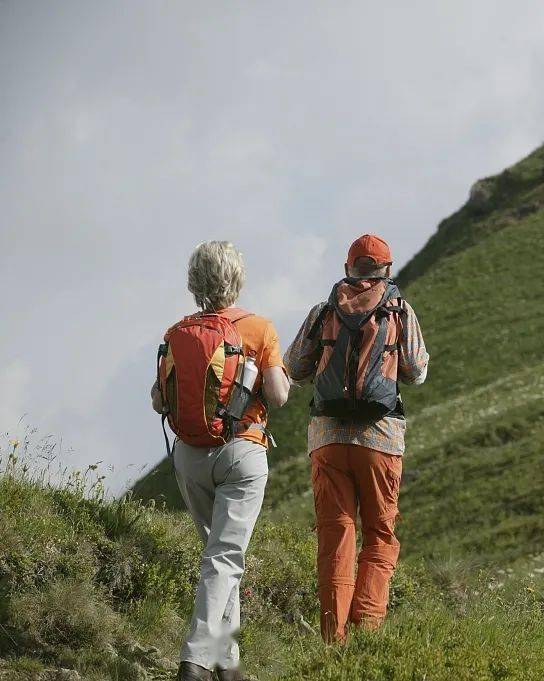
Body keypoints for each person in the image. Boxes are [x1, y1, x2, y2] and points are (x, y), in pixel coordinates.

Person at [151, 241, 290, 681]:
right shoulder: (259, 329)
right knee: (225, 559)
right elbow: (279, 396)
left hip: (189, 456)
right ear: (237, 278)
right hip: (241, 454)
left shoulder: (176, 333)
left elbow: (159, 401)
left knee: (218, 557)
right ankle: (194, 660)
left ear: (195, 282)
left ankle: (226, 664)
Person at [284, 233, 428, 643]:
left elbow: (295, 367)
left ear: (348, 268)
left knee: (336, 535)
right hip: (381, 438)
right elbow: (417, 372)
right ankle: (367, 634)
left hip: (328, 438)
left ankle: (334, 640)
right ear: (387, 270)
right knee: (379, 535)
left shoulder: (323, 310)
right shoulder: (399, 311)